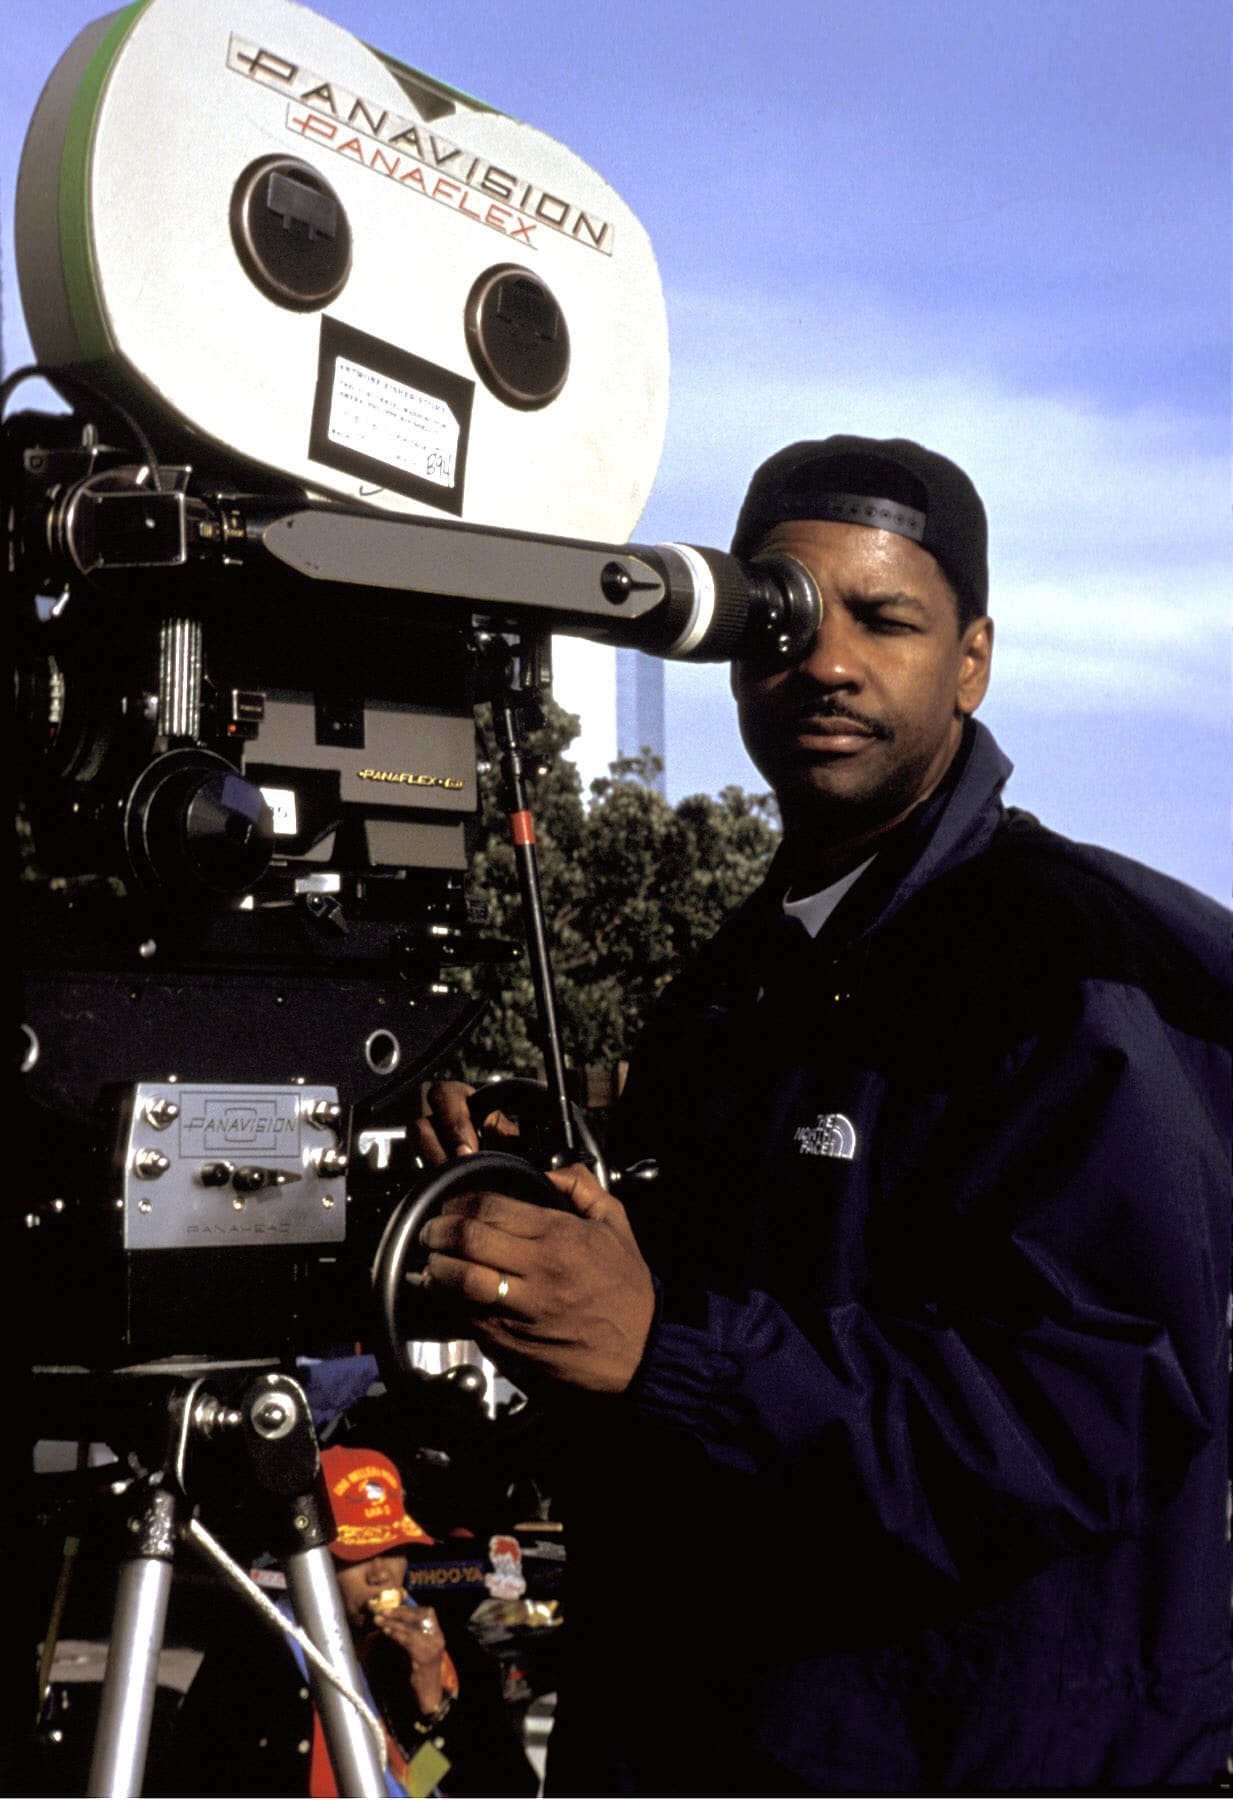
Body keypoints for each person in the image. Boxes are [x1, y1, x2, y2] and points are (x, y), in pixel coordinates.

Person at [414, 435, 1232, 1796]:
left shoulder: (1072, 969)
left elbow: (1088, 1416)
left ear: (972, 657)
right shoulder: (737, 984)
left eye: (886, 618)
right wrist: (540, 1207)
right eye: (783, 616)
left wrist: (661, 1343)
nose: (829, 660)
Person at [171, 1442, 539, 1797]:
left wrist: (435, 1711)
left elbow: (504, 1787)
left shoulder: (445, 1649)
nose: (381, 1574)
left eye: (393, 1550)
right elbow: (189, 1778)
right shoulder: (256, 1653)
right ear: (314, 1561)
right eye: (358, 1554)